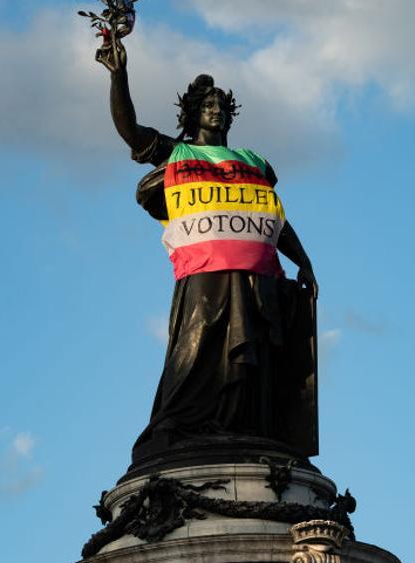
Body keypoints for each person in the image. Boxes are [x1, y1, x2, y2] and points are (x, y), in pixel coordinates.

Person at [96, 36, 319, 469]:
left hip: (258, 275)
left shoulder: (253, 161)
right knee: (197, 349)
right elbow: (130, 129)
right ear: (193, 112)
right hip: (204, 271)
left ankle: (246, 426)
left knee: (253, 352)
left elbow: (273, 217)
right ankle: (184, 427)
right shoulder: (179, 153)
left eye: (221, 106)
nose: (215, 112)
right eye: (208, 106)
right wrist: (118, 74)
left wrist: (303, 259)